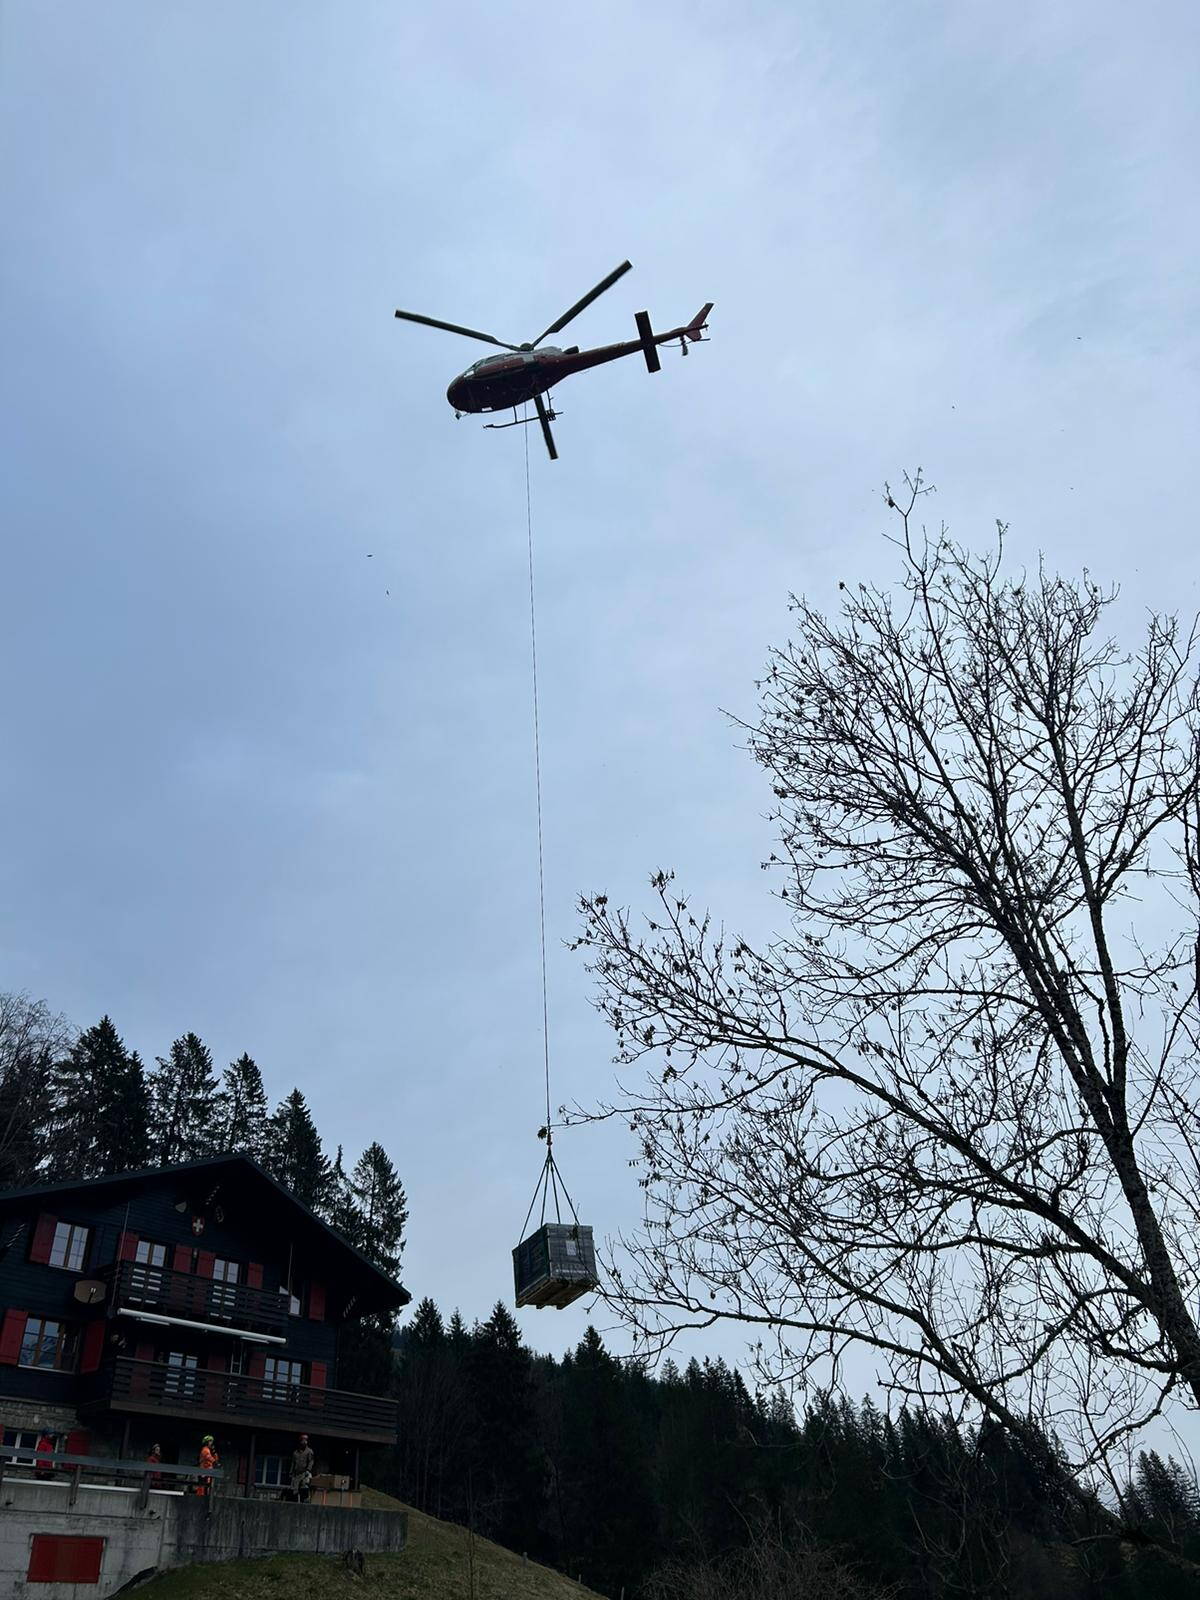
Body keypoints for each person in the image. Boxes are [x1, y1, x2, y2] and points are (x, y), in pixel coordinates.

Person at [289, 1434, 314, 1504]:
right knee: (294, 1490)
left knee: (304, 1489)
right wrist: (291, 1472)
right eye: (303, 1440)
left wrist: (308, 1470)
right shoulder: (295, 1453)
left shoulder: (309, 1451)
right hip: (296, 1473)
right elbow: (293, 1463)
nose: (304, 1442)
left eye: (306, 1440)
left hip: (304, 1473)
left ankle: (303, 1502)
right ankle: (295, 1503)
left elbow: (311, 1461)